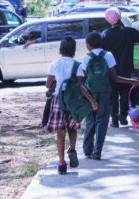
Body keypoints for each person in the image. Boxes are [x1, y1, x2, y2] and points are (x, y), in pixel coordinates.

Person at [81, 32, 139, 160]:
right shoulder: (108, 55)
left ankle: (87, 150)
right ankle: (97, 152)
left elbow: (83, 78)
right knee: (102, 120)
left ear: (89, 45)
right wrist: (131, 81)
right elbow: (115, 77)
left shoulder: (86, 57)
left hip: (91, 92)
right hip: (106, 91)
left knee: (91, 119)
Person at [45, 37, 98, 174]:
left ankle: (62, 163)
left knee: (60, 132)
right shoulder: (77, 65)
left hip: (58, 100)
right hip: (74, 101)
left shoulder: (54, 64)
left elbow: (48, 84)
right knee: (73, 127)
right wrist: (92, 101)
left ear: (60, 49)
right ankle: (72, 148)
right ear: (74, 50)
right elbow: (81, 87)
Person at [102, 7, 139, 128]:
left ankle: (114, 119)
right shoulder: (129, 31)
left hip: (111, 70)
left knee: (113, 96)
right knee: (125, 94)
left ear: (108, 21)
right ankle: (123, 117)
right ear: (120, 18)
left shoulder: (105, 34)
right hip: (126, 69)